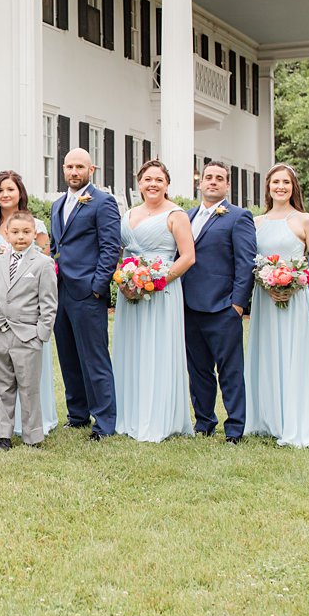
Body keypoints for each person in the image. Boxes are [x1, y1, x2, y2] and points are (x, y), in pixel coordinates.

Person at [246, 163, 309, 447]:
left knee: (293, 353)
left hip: (295, 296)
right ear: (268, 187)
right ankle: (268, 418)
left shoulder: (305, 220)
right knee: (267, 352)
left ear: (293, 187)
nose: (280, 187)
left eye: (286, 182)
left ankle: (296, 419)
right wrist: (267, 283)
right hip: (265, 298)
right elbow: (253, 262)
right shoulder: (257, 222)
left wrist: (298, 281)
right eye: (276, 182)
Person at [111, 159, 196, 442]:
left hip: (163, 291)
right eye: (147, 179)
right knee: (132, 348)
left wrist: (159, 281)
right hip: (130, 291)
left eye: (159, 179)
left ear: (167, 184)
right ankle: (129, 415)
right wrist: (123, 280)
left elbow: (188, 257)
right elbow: (121, 253)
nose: (153, 184)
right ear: (139, 183)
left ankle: (158, 417)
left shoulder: (176, 215)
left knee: (157, 349)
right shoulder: (129, 214)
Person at [48, 147, 121, 440]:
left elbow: (110, 248)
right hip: (60, 291)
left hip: (87, 292)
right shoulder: (57, 204)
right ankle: (77, 414)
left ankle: (104, 422)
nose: (74, 172)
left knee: (94, 358)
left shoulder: (103, 202)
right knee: (67, 356)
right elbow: (57, 247)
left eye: (80, 167)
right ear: (63, 169)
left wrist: (96, 287)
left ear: (91, 170)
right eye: (69, 167)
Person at [183, 162, 257, 443]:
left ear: (227, 186)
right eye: (208, 178)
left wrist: (237, 305)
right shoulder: (186, 216)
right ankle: (204, 422)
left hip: (223, 307)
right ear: (199, 183)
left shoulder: (239, 217)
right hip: (190, 306)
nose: (213, 182)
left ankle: (235, 427)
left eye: (219, 179)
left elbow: (246, 262)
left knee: (230, 371)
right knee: (198, 370)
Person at [0, 170, 58, 439]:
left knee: (28, 385)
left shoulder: (38, 247)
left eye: (10, 189)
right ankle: (2, 431)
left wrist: (41, 333)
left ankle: (33, 432)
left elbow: (48, 293)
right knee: (1, 383)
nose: (5, 194)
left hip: (28, 330)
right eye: (0, 189)